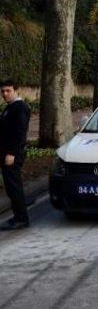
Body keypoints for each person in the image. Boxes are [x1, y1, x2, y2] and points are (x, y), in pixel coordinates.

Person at [0, 79, 31, 230]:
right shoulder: (10, 107)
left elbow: (20, 133)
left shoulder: (20, 108)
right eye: (2, 91)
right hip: (6, 153)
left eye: (8, 90)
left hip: (13, 155)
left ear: (16, 90)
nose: (4, 94)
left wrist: (12, 153)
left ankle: (22, 218)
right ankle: (18, 215)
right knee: (11, 187)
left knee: (14, 187)